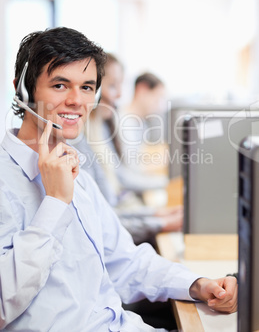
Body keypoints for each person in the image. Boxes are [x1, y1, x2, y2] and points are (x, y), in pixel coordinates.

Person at [0, 27, 237, 331]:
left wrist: (197, 284)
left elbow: (126, 262)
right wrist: (54, 203)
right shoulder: (7, 182)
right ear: (23, 90)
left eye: (87, 87)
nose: (77, 100)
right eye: (60, 85)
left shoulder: (78, 175)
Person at [74, 53, 183, 245]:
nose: (119, 95)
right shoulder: (80, 141)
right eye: (112, 85)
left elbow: (112, 200)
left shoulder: (97, 131)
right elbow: (103, 218)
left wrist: (156, 214)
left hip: (124, 221)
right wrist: (158, 221)